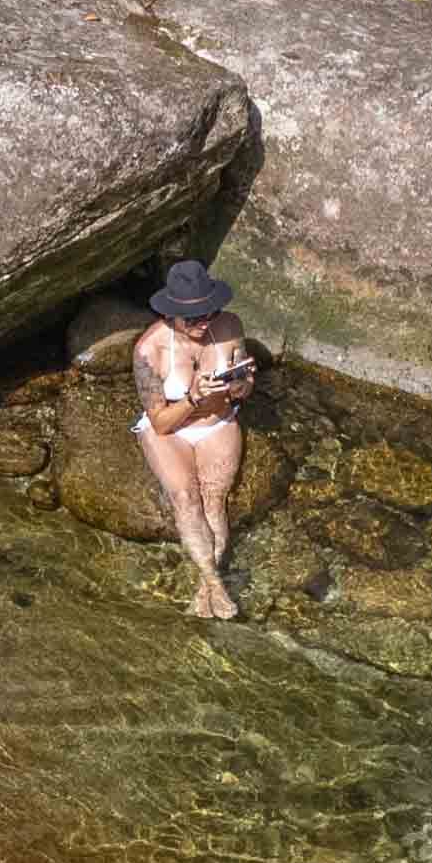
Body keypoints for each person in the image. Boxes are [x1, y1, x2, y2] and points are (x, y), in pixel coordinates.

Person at [129, 259, 264, 620]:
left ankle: (205, 591)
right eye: (192, 319)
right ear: (172, 315)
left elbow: (244, 391)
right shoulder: (149, 350)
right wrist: (192, 399)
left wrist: (241, 385)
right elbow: (159, 422)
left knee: (214, 499)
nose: (203, 323)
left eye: (209, 312)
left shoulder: (230, 326)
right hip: (171, 428)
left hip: (217, 423)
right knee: (186, 498)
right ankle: (215, 584)